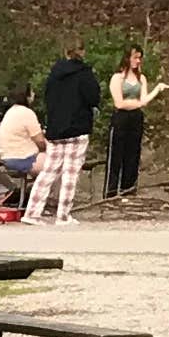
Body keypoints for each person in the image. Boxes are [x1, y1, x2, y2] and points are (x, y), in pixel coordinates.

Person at [31, 45, 103, 221]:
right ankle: (63, 215)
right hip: (77, 128)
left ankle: (32, 212)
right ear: (82, 52)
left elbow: (47, 98)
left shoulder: (54, 74)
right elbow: (93, 97)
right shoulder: (84, 73)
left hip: (56, 129)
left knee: (49, 171)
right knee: (70, 172)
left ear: (65, 52)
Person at [104, 47, 162, 203]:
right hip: (120, 118)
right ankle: (110, 193)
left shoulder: (141, 78)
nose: (138, 61)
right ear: (128, 58)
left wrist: (155, 91)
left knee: (133, 155)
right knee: (116, 154)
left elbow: (143, 100)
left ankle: (128, 191)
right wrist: (134, 103)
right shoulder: (117, 78)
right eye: (135, 57)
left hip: (136, 119)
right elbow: (119, 103)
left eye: (140, 58)